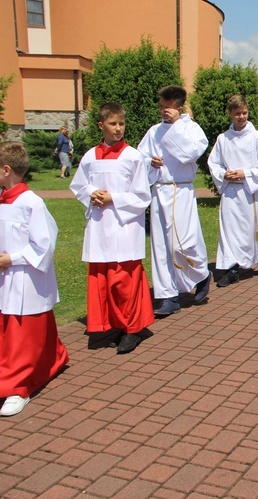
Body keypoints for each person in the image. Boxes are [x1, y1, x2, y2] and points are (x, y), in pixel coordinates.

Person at [70, 102, 154, 354]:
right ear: (101, 125)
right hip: (99, 226)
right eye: (112, 124)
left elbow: (142, 195)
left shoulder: (133, 156)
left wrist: (113, 199)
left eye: (121, 124)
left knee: (124, 279)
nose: (118, 129)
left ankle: (133, 328)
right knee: (105, 279)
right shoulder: (89, 156)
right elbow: (78, 185)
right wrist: (91, 194)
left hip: (124, 227)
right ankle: (115, 323)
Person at [0, 142, 68, 416]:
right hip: (5, 278)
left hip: (25, 277)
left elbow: (44, 246)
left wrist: (11, 259)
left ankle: (19, 387)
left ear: (6, 170)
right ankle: (52, 358)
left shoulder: (32, 204)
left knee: (23, 334)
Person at [138, 85, 211, 316]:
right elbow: (140, 156)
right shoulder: (153, 131)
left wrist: (176, 125)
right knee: (161, 246)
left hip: (182, 190)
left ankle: (201, 274)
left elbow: (190, 153)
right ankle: (168, 296)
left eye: (167, 107)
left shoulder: (192, 129)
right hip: (160, 190)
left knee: (183, 242)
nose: (163, 111)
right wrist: (150, 161)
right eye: (161, 107)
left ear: (179, 107)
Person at [208, 95, 258, 287]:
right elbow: (213, 163)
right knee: (229, 231)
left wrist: (244, 173)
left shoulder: (257, 137)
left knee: (252, 229)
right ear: (230, 114)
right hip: (230, 192)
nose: (241, 117)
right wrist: (224, 174)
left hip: (250, 191)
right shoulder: (223, 139)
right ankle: (232, 268)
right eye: (237, 114)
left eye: (244, 113)